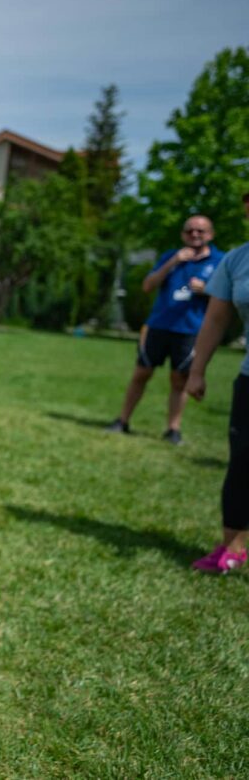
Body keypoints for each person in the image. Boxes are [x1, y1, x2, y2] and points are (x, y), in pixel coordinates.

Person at [107, 216, 224, 445]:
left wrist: (207, 289)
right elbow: (148, 286)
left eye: (200, 231)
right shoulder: (170, 256)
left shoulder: (220, 261)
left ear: (210, 234)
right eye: (189, 231)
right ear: (183, 235)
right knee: (141, 373)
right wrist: (173, 262)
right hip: (159, 326)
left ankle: (173, 429)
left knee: (179, 379)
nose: (194, 234)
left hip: (190, 330)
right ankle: (122, 421)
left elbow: (227, 297)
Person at [185, 191, 249, 575]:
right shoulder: (237, 260)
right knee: (242, 461)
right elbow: (215, 320)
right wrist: (197, 369)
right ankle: (232, 546)